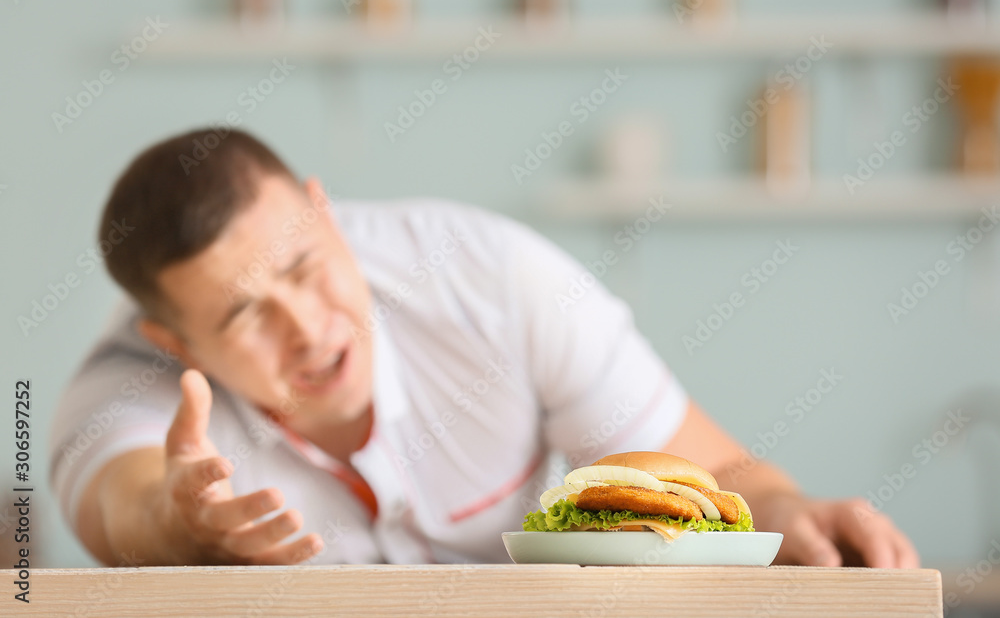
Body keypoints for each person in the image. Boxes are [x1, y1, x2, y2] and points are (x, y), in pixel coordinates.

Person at [49, 129, 919, 568]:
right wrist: (180, 520)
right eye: (243, 317)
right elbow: (125, 508)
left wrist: (792, 512)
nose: (308, 328)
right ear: (173, 338)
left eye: (308, 266)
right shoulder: (125, 383)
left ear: (325, 209)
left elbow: (722, 479)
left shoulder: (494, 278)